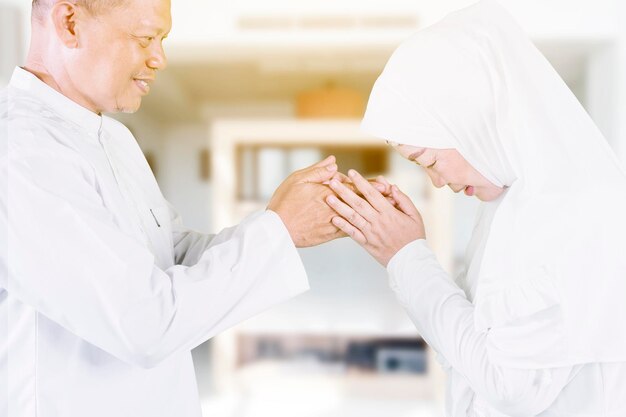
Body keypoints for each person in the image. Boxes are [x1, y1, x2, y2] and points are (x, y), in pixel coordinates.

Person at [0, 0, 344, 415]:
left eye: (162, 40)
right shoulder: (21, 149)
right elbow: (144, 323)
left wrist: (284, 223)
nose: (160, 58)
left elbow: (171, 254)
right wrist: (278, 231)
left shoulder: (115, 140)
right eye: (146, 38)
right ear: (69, 23)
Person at [326, 1, 626, 416]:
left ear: (471, 123)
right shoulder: (513, 202)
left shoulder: (572, 209)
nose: (437, 181)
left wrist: (406, 258)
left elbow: (507, 387)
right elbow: (475, 349)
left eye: (429, 160)